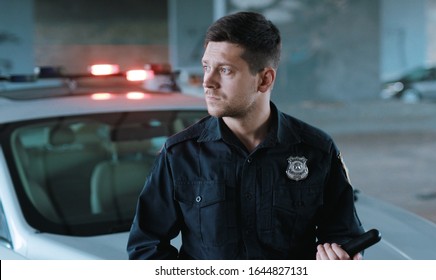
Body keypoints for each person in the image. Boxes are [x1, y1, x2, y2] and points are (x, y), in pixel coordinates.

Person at [127, 11, 364, 260]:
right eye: (206, 67)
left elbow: (344, 235)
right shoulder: (179, 154)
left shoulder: (317, 150)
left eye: (225, 70)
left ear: (264, 80)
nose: (207, 81)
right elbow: (146, 248)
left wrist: (343, 258)